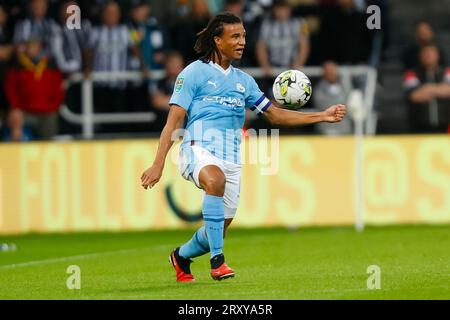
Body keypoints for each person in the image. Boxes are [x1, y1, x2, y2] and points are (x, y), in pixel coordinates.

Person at [140, 12, 346, 282]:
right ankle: (218, 262)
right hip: (196, 148)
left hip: (231, 157)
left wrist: (321, 115)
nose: (242, 42)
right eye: (235, 36)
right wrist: (158, 163)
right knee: (215, 180)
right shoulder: (192, 74)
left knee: (218, 229)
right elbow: (173, 122)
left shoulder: (244, 82)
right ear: (217, 40)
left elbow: (274, 115)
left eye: (244, 36)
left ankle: (181, 257)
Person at [403, 43, 450, 133]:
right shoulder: (412, 73)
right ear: (420, 56)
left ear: (438, 55)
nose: (428, 56)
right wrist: (441, 89)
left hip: (446, 127)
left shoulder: (447, 71)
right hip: (420, 128)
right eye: (425, 53)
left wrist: (428, 88)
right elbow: (414, 96)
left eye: (431, 53)